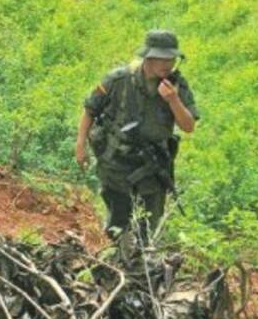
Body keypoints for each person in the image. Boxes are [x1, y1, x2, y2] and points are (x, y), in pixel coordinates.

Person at [75, 30, 198, 241]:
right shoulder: (119, 80)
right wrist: (80, 144)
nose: (168, 63)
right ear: (148, 58)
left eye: (172, 58)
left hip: (152, 169)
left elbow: (188, 126)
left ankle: (142, 269)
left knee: (148, 231)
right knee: (117, 225)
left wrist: (173, 100)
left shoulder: (176, 86)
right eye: (162, 58)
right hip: (116, 166)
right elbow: (90, 110)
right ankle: (116, 263)